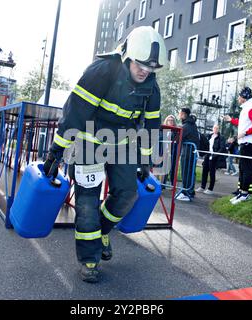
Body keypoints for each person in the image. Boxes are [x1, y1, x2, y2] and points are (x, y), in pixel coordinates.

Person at [42, 26, 167, 283]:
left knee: (128, 194)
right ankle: (89, 259)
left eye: (151, 68)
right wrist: (57, 150)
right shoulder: (102, 71)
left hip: (122, 146)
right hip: (88, 142)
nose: (145, 71)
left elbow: (151, 127)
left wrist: (145, 160)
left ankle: (101, 231)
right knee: (87, 201)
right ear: (127, 56)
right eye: (141, 64)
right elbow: (74, 113)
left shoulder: (151, 89)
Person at [224, 87, 252, 205]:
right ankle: (241, 192)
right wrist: (231, 120)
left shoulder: (251, 108)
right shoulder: (246, 108)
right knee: (242, 168)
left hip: (250, 143)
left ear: (243, 97)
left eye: (239, 96)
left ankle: (245, 194)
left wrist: (246, 133)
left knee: (246, 169)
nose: (238, 98)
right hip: (245, 143)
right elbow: (243, 124)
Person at [176, 108, 199, 202]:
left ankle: (186, 193)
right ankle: (189, 191)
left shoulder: (187, 125)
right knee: (189, 172)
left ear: (184, 114)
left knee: (186, 173)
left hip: (188, 153)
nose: (179, 114)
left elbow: (178, 138)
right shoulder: (191, 124)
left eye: (180, 113)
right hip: (190, 152)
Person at [196, 124, 226, 195]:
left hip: (214, 157)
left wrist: (215, 155)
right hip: (207, 155)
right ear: (212, 129)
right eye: (214, 128)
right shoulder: (209, 136)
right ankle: (202, 187)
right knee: (204, 171)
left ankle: (210, 189)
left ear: (219, 129)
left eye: (217, 128)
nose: (215, 129)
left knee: (212, 173)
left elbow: (222, 148)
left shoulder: (221, 137)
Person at [155, 115, 176, 186]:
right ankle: (156, 183)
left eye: (172, 120)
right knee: (157, 168)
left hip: (169, 153)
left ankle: (162, 184)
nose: (170, 121)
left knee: (165, 169)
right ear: (166, 121)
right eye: (169, 120)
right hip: (160, 151)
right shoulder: (161, 129)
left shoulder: (175, 131)